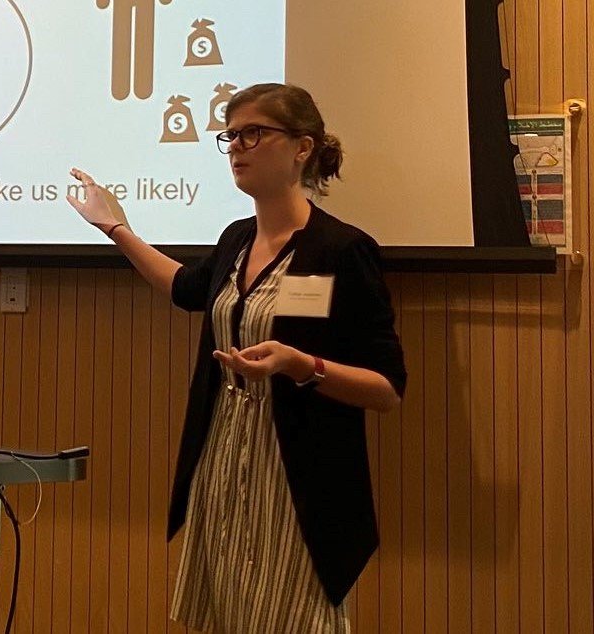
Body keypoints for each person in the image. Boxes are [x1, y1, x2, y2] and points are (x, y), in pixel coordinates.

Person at [67, 83, 406, 633]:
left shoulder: (341, 250)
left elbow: (387, 388)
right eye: (230, 135)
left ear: (302, 147)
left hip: (295, 482)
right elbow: (184, 288)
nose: (236, 147)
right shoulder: (236, 240)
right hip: (221, 468)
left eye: (254, 132)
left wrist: (302, 365)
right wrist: (115, 226)